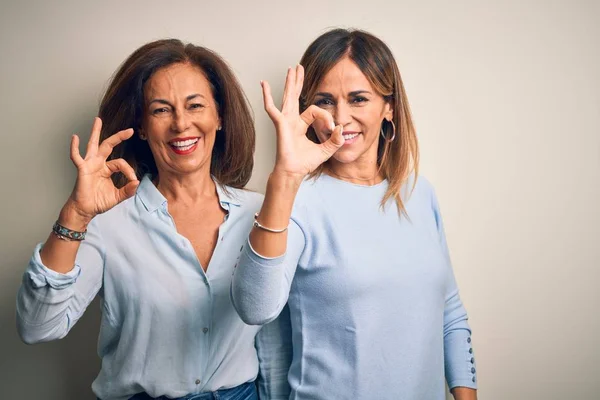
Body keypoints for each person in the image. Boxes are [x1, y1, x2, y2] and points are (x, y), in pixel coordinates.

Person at [16, 39, 290, 400]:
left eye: (195, 106)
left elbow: (270, 339)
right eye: (162, 110)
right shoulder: (108, 222)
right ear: (142, 126)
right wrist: (76, 213)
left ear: (219, 117)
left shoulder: (262, 214)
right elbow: (38, 327)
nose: (181, 123)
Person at [231, 28, 478, 400]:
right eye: (325, 101)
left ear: (388, 107)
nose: (339, 118)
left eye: (358, 99)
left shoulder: (419, 194)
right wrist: (285, 177)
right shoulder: (299, 199)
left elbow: (451, 314)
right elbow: (255, 308)